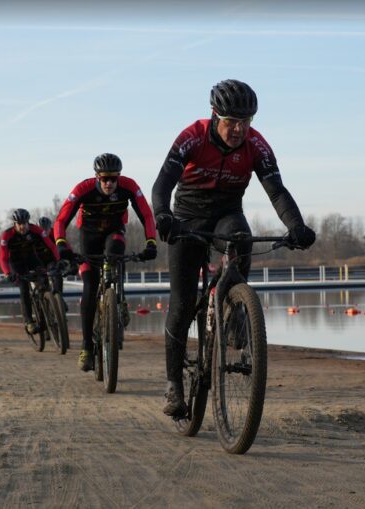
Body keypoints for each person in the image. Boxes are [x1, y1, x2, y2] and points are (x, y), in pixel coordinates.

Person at [151, 79, 316, 417]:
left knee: (240, 238)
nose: (239, 129)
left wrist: (295, 227)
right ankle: (174, 387)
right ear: (215, 116)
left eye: (246, 121)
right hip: (188, 216)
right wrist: (163, 216)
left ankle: (235, 307)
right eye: (231, 122)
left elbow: (277, 191)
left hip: (227, 214)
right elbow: (162, 183)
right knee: (181, 304)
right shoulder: (192, 136)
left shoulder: (256, 144)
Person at [54, 153, 157, 372]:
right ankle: (86, 347)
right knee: (90, 287)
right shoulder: (83, 189)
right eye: (104, 179)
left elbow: (147, 215)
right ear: (97, 177)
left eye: (113, 178)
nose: (109, 183)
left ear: (119, 177)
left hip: (114, 231)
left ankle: (119, 298)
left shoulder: (129, 186)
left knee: (115, 253)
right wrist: (61, 244)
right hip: (88, 234)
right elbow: (62, 219)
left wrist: (151, 242)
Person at [0, 208, 59, 335]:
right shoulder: (7, 235)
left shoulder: (36, 230)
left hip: (32, 259)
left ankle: (47, 312)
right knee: (24, 288)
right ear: (14, 224)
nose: (23, 227)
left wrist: (57, 261)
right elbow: (3, 258)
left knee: (44, 281)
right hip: (16, 263)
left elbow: (51, 246)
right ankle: (29, 321)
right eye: (19, 224)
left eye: (25, 223)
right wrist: (8, 273)